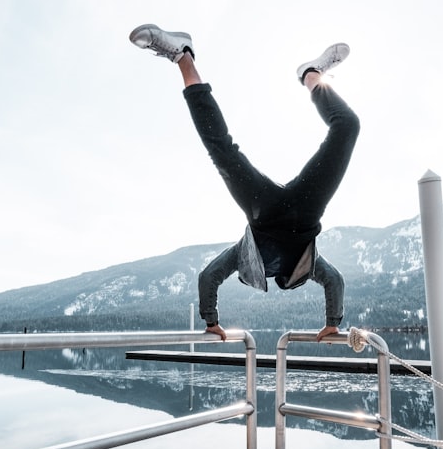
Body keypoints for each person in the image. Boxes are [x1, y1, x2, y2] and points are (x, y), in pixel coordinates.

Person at [129, 24, 360, 342]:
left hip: (262, 212)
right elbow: (334, 281)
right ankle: (311, 74)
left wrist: (211, 321)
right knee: (347, 126)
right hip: (306, 212)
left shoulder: (242, 255)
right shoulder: (311, 264)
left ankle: (183, 57)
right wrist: (333, 322)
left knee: (220, 148)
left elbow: (208, 276)